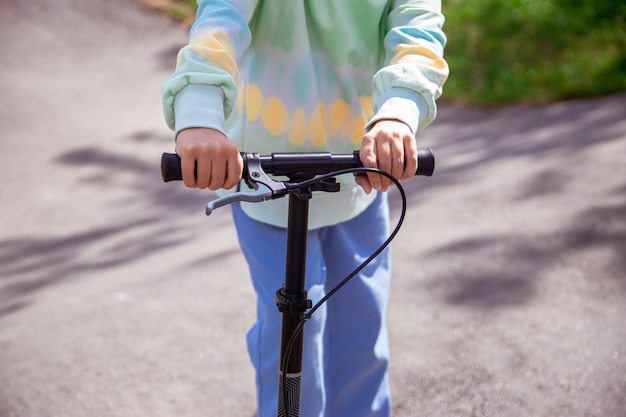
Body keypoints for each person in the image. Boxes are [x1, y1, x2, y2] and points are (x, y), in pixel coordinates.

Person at [162, 1, 448, 416]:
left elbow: (417, 31)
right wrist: (200, 115)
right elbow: (220, 22)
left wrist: (398, 113)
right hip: (269, 186)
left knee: (361, 339)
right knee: (292, 342)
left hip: (359, 180)